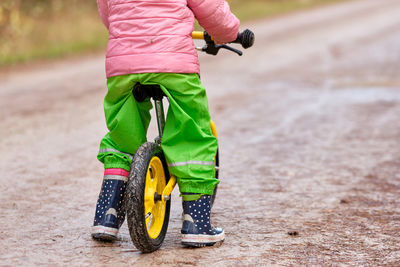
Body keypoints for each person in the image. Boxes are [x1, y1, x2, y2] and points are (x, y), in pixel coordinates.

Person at [92, 0, 240, 247]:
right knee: (191, 130)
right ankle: (197, 223)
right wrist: (230, 33)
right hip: (173, 64)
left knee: (122, 134)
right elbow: (212, 11)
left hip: (124, 64)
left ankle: (107, 214)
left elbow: (109, 15)